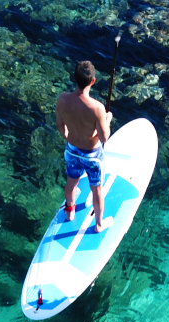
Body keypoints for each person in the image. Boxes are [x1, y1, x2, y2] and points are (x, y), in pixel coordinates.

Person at [54, 60, 114, 233]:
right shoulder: (97, 108)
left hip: (71, 151)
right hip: (92, 156)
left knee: (71, 182)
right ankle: (98, 225)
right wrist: (107, 120)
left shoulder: (63, 99)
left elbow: (60, 125)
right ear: (93, 81)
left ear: (74, 78)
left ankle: (69, 214)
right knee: (97, 189)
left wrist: (69, 137)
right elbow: (104, 137)